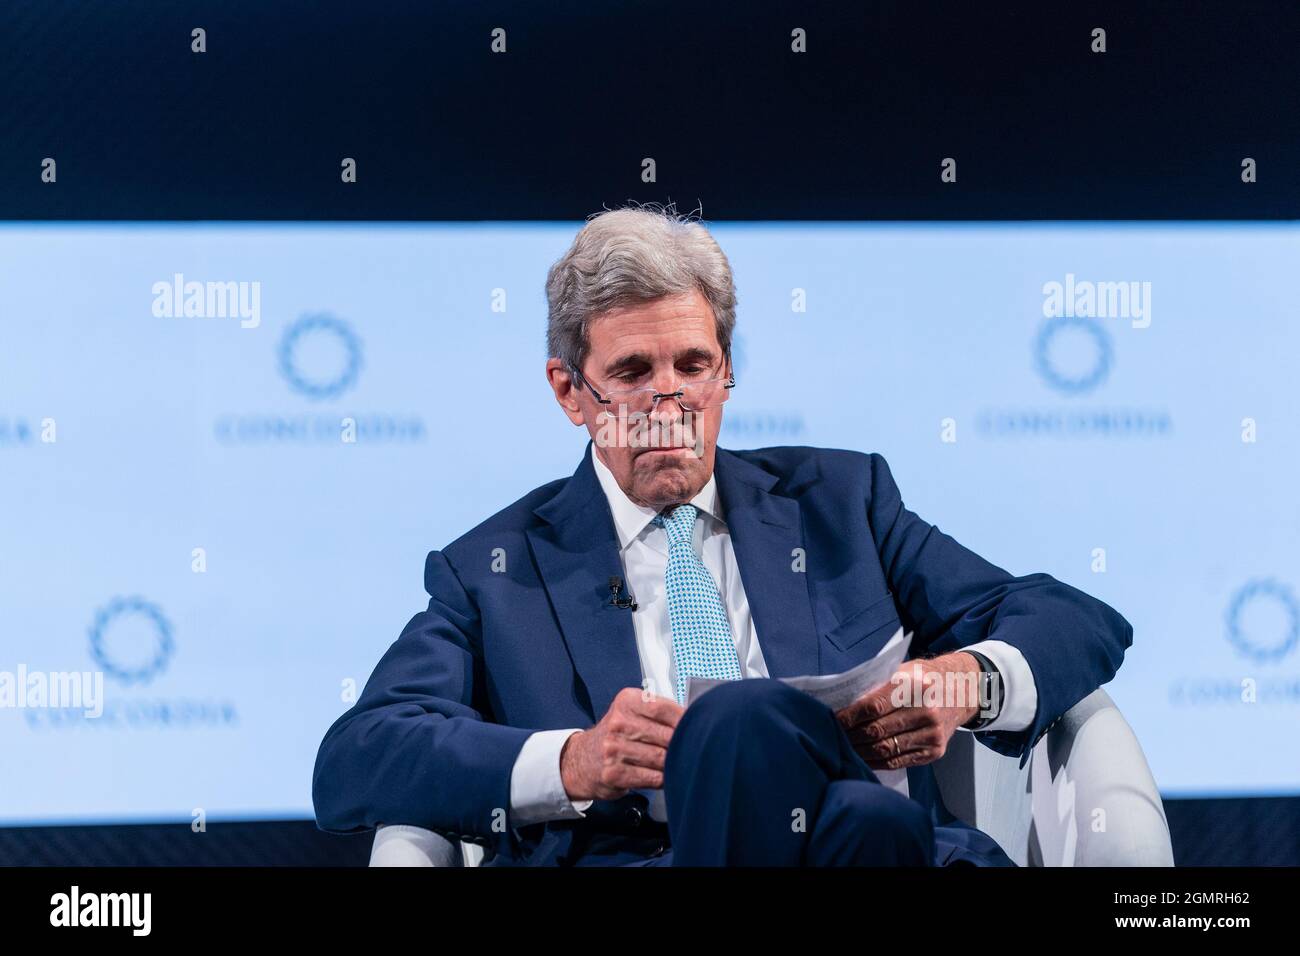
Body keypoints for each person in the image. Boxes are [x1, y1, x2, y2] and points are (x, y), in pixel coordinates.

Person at [312, 205, 1132, 866]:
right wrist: (573, 762)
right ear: (571, 391)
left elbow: (1074, 618)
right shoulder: (493, 573)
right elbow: (357, 757)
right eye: (634, 373)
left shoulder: (841, 504)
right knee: (798, 773)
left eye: (693, 366)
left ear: (726, 369)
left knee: (834, 802)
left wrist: (966, 680)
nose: (669, 402)